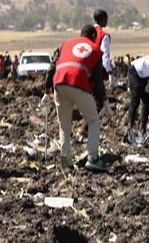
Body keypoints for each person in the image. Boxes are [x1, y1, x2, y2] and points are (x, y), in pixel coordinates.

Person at [45, 25, 108, 172]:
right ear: (93, 36)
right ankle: (93, 159)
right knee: (93, 120)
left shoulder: (66, 44)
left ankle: (65, 163)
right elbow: (98, 81)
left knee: (64, 127)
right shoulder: (96, 50)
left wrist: (47, 89)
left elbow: (52, 66)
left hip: (59, 84)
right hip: (78, 84)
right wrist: (103, 99)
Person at [93, 9, 113, 89]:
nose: (107, 21)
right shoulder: (103, 35)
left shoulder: (87, 31)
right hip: (97, 67)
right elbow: (105, 53)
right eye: (106, 19)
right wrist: (107, 69)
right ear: (102, 19)